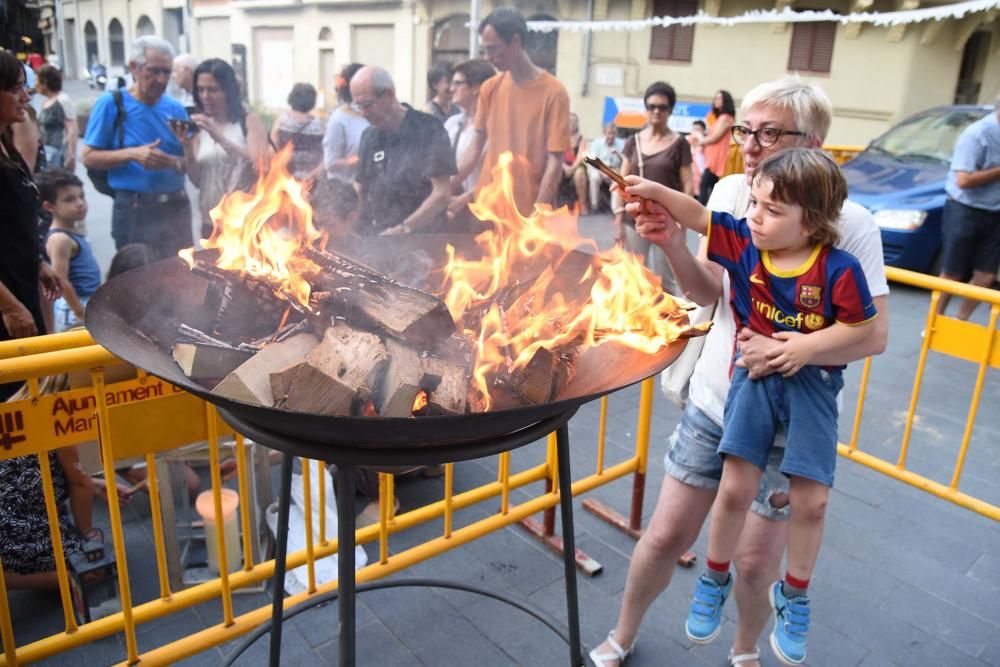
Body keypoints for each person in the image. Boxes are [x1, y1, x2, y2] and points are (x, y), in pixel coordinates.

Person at [589, 78, 890, 667]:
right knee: (667, 534)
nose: (748, 145)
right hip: (715, 401)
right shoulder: (732, 193)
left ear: (816, 145)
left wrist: (789, 351)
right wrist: (674, 244)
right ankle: (622, 633)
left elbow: (873, 334)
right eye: (746, 130)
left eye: (769, 133)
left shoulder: (850, 224)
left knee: (757, 563)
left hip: (791, 417)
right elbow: (708, 292)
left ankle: (746, 648)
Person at [82, 35, 193, 260]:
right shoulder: (111, 104)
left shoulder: (176, 108)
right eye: (153, 71)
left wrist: (173, 162)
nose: (161, 79)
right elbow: (89, 156)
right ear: (134, 67)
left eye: (166, 72)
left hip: (175, 206)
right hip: (134, 208)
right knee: (137, 278)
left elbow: (190, 164)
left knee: (181, 276)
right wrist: (133, 154)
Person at [455, 7, 570, 214]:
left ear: (515, 42)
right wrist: (446, 188)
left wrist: (538, 213)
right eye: (484, 50)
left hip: (527, 211)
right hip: (487, 208)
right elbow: (474, 148)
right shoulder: (490, 88)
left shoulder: (554, 92)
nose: (487, 57)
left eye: (493, 49)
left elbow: (555, 163)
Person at [0, 50, 61, 401]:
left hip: (22, 285)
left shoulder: (6, 144)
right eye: (16, 89)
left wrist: (38, 263)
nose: (27, 96)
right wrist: (9, 306)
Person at [351, 66, 456, 235]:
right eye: (358, 106)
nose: (364, 114)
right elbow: (360, 188)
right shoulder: (369, 136)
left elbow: (442, 194)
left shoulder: (428, 128)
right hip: (381, 240)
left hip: (425, 241)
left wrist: (405, 228)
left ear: (389, 94)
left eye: (368, 105)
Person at [611, 81, 692, 297]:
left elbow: (688, 185)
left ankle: (669, 327)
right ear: (646, 108)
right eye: (652, 106)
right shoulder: (633, 141)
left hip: (667, 219)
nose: (656, 111)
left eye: (662, 107)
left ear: (670, 110)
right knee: (636, 277)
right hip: (635, 219)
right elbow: (621, 181)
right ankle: (638, 326)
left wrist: (683, 223)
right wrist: (618, 220)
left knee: (666, 282)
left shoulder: (680, 144)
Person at [173, 58, 268, 239]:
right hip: (210, 223)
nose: (205, 96)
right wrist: (186, 146)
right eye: (200, 90)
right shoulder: (199, 126)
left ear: (228, 91)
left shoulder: (247, 122)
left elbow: (260, 165)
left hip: (244, 222)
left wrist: (219, 136)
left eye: (212, 89)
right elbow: (197, 181)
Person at [936, 95, 1000, 320]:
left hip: (995, 213)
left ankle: (960, 321)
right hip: (965, 208)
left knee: (986, 275)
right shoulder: (977, 134)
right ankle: (935, 320)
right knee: (952, 272)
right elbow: (963, 180)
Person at [38, 170, 101, 332]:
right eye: (69, 200)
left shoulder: (73, 230)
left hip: (86, 301)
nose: (80, 203)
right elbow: (61, 281)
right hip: (74, 307)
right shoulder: (60, 239)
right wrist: (80, 312)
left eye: (81, 196)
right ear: (49, 206)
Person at [443, 58, 495, 229]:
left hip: (481, 211)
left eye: (458, 83)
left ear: (476, 87)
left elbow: (498, 177)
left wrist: (466, 198)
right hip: (450, 208)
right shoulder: (452, 123)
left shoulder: (495, 128)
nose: (451, 89)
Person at [322, 63, 368, 182]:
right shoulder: (339, 119)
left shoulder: (376, 116)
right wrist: (358, 159)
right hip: (345, 190)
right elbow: (331, 163)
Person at [270, 83, 325, 181]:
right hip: (311, 179)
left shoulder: (282, 120)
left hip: (285, 178)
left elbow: (273, 149)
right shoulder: (319, 125)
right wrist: (314, 175)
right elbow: (326, 155)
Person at [35, 65, 78, 172]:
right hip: (47, 153)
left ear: (44, 82)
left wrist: (71, 155)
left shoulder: (62, 100)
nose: (35, 84)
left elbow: (72, 130)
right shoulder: (47, 101)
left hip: (58, 154)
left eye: (37, 80)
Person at [698, 89, 736, 204]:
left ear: (725, 101)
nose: (716, 100)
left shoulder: (725, 118)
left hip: (716, 159)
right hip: (713, 157)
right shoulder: (721, 118)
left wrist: (700, 138)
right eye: (715, 98)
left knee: (705, 185)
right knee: (711, 187)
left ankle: (699, 215)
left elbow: (715, 138)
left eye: (719, 98)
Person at [584, 122, 624, 213]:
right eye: (609, 133)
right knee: (594, 178)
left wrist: (618, 154)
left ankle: (615, 209)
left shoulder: (621, 143)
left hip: (615, 169)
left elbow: (625, 162)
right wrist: (603, 173)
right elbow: (592, 162)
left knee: (617, 181)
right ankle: (594, 206)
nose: (611, 136)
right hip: (599, 169)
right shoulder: (597, 143)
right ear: (604, 133)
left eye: (613, 133)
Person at [560, 112, 589, 213]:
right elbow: (557, 154)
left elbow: (581, 155)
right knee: (552, 172)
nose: (572, 123)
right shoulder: (560, 137)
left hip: (576, 165)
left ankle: (583, 204)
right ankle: (552, 204)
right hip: (562, 165)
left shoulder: (581, 139)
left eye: (574, 122)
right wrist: (563, 166)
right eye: (570, 121)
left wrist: (572, 168)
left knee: (580, 174)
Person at [688, 118, 707, 196]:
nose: (695, 132)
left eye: (698, 130)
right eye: (694, 129)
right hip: (689, 182)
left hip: (701, 182)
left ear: (703, 131)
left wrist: (700, 138)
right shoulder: (686, 143)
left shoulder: (706, 146)